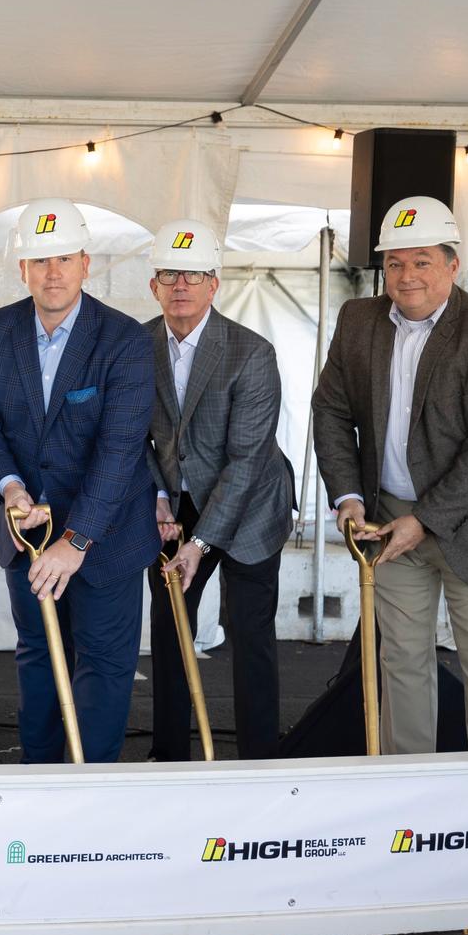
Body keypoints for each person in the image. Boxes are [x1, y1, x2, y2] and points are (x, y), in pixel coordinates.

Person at [311, 195, 468, 753]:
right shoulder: (358, 320)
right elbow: (331, 409)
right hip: (387, 518)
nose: (406, 275)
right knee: (402, 661)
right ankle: (409, 789)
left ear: (453, 265)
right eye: (394, 262)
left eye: (421, 261)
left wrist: (425, 520)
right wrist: (348, 497)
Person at [0, 198, 156, 764]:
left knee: (103, 663)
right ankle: (36, 781)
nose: (52, 273)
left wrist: (75, 540)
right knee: (39, 654)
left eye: (64, 258)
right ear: (22, 268)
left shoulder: (124, 340)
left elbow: (120, 451)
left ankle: (87, 793)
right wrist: (11, 487)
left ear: (86, 264)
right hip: (26, 531)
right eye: (40, 261)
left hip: (107, 536)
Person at [141, 219, 294, 760]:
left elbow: (247, 461)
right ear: (153, 285)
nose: (180, 285)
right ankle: (169, 758)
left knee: (249, 633)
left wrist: (201, 543)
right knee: (169, 625)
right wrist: (156, 496)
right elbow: (129, 436)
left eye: (193, 274)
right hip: (175, 503)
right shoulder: (135, 346)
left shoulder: (250, 353)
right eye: (169, 274)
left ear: (214, 284)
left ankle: (259, 761)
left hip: (251, 506)